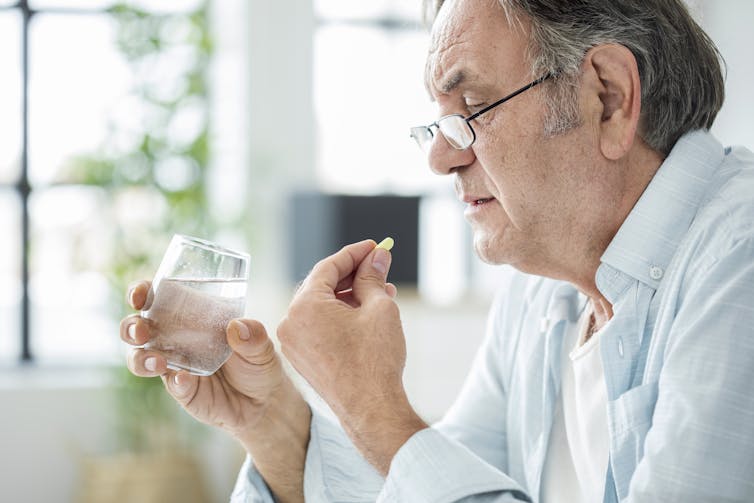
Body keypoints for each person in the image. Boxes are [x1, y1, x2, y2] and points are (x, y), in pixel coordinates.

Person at [121, 0, 754, 501]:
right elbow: (440, 485)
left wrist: (374, 407)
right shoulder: (541, 294)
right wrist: (275, 427)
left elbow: (418, 466)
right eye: (439, 121)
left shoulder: (739, 259)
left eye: (473, 107)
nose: (440, 156)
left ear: (608, 97)